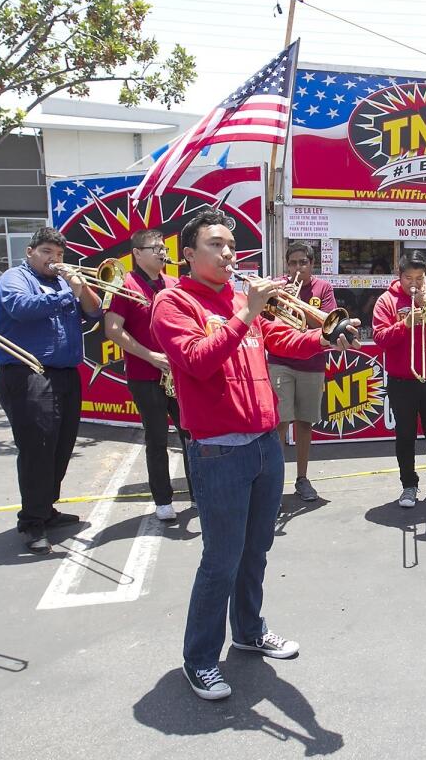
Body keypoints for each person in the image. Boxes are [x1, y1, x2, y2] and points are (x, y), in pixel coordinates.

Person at [151, 210, 360, 701]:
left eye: (231, 245)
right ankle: (199, 659)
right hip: (218, 450)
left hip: (265, 444)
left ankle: (248, 630)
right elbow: (198, 362)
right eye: (215, 245)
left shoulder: (239, 299)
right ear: (188, 253)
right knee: (220, 560)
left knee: (256, 551)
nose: (228, 253)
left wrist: (325, 337)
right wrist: (245, 311)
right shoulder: (172, 302)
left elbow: (281, 338)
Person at [0, 227, 103, 555]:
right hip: (28, 374)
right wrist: (69, 292)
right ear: (30, 252)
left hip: (65, 374)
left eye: (58, 255)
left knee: (61, 445)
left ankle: (46, 508)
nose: (54, 260)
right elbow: (22, 308)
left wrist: (81, 290)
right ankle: (31, 521)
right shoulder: (15, 278)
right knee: (37, 449)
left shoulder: (64, 283)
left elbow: (96, 311)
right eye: (46, 253)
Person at [104, 229, 191, 522]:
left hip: (177, 373)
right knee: (157, 439)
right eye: (154, 248)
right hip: (145, 375)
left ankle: (199, 495)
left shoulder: (174, 283)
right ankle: (163, 501)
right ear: (136, 254)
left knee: (191, 434)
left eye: (163, 247)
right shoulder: (125, 284)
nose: (162, 253)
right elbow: (113, 330)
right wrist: (151, 356)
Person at [371, 251, 426, 508]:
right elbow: (379, 338)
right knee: (405, 436)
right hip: (401, 380)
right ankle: (408, 486)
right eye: (409, 278)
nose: (414, 284)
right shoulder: (386, 301)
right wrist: (405, 324)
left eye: (419, 278)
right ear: (399, 276)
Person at [268, 241, 337, 501]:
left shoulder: (323, 288)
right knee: (280, 422)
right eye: (293, 263)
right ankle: (273, 483)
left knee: (305, 422)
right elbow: (266, 320)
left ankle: (302, 478)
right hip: (280, 360)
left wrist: (298, 305)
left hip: (311, 362)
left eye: (303, 263)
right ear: (287, 265)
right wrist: (281, 299)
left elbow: (327, 323)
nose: (298, 268)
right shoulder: (277, 286)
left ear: (312, 265)